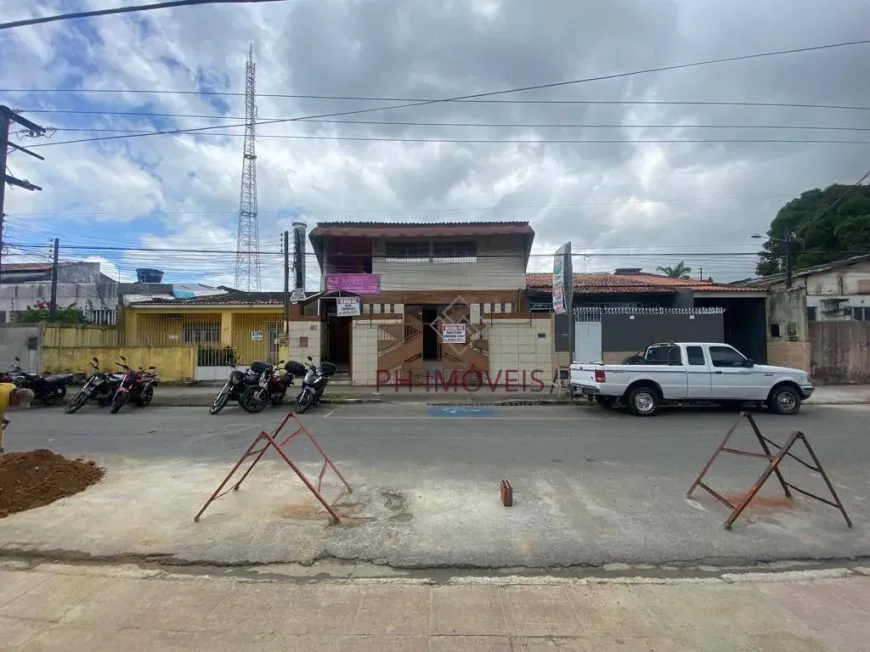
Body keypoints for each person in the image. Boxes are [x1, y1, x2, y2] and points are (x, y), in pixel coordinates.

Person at [0, 383, 34, 453]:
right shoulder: (2, 401)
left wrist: (2, 418)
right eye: (18, 402)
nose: (17, 405)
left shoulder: (12, 386)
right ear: (15, 397)